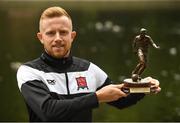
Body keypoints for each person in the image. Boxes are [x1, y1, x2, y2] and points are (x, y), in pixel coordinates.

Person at [17, 7, 161, 122]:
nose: (58, 38)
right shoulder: (29, 71)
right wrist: (96, 97)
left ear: (72, 36)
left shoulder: (89, 69)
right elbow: (48, 111)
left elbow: (120, 100)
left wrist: (144, 88)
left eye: (63, 32)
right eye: (50, 33)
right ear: (41, 37)